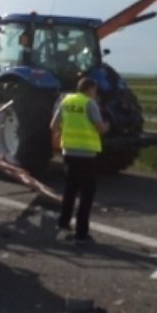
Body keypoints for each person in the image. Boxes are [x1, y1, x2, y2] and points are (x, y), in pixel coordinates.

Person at [49, 76, 109, 244]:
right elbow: (100, 128)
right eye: (95, 90)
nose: (95, 93)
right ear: (90, 89)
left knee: (70, 189)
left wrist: (61, 138)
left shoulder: (66, 102)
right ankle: (82, 233)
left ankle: (63, 222)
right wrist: (107, 126)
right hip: (87, 154)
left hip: (68, 152)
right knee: (87, 194)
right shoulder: (89, 103)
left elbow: (53, 125)